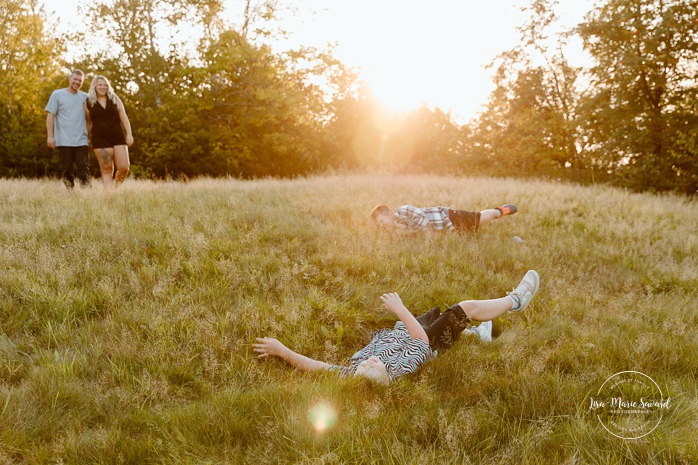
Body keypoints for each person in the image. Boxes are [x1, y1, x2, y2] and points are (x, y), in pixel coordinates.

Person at [253, 270, 540, 384]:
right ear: (386, 377)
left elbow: (313, 365)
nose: (371, 361)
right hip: (428, 340)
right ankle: (516, 300)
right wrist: (400, 309)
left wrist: (281, 350)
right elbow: (421, 343)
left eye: (365, 365)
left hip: (406, 330)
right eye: (374, 368)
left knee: (442, 312)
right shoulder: (402, 368)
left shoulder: (351, 374)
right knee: (466, 308)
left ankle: (478, 335)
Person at [85, 75, 134, 188]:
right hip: (99, 138)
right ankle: (110, 196)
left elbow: (123, 116)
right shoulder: (88, 102)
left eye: (105, 85)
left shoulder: (114, 98)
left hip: (117, 136)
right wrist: (89, 138)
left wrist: (129, 134)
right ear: (94, 86)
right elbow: (89, 122)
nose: (102, 87)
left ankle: (117, 188)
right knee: (106, 169)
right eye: (100, 85)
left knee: (124, 168)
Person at [45, 69, 91, 189]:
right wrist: (50, 136)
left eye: (80, 80)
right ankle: (70, 195)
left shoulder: (85, 97)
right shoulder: (57, 94)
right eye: (75, 79)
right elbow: (50, 116)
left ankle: (88, 196)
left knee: (84, 168)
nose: (77, 82)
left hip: (82, 140)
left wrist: (91, 137)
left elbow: (90, 119)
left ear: (82, 82)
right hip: (64, 140)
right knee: (67, 170)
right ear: (69, 79)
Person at [370, 203, 517, 233]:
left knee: (479, 220)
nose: (383, 226)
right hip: (447, 230)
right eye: (380, 225)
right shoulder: (396, 229)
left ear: (389, 214)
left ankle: (499, 211)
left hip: (447, 217)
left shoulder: (403, 210)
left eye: (382, 222)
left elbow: (423, 222)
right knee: (472, 233)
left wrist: (408, 231)